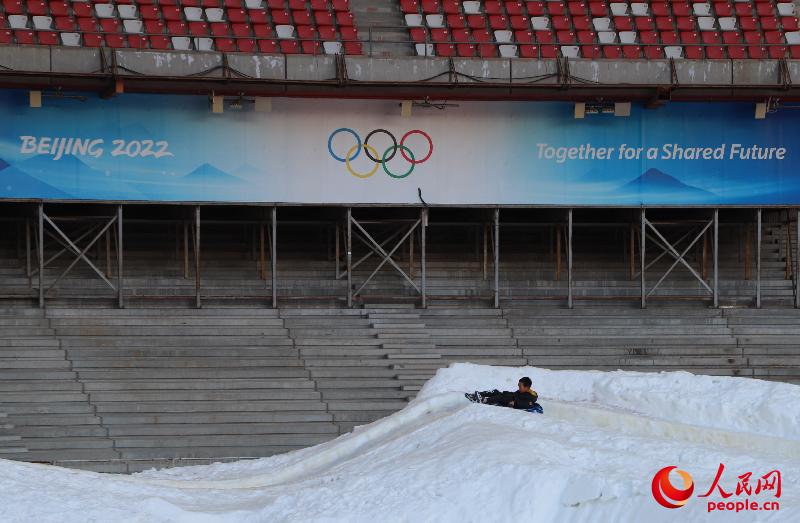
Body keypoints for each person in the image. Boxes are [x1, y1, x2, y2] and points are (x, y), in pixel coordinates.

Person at [465, 377, 539, 410]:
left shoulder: (530, 397)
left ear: (526, 387)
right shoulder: (522, 391)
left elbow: (527, 404)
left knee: (500, 397)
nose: (518, 387)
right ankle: (477, 395)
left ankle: (483, 400)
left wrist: (515, 403)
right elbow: (515, 394)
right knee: (495, 391)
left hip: (511, 400)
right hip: (510, 396)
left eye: (520, 386)